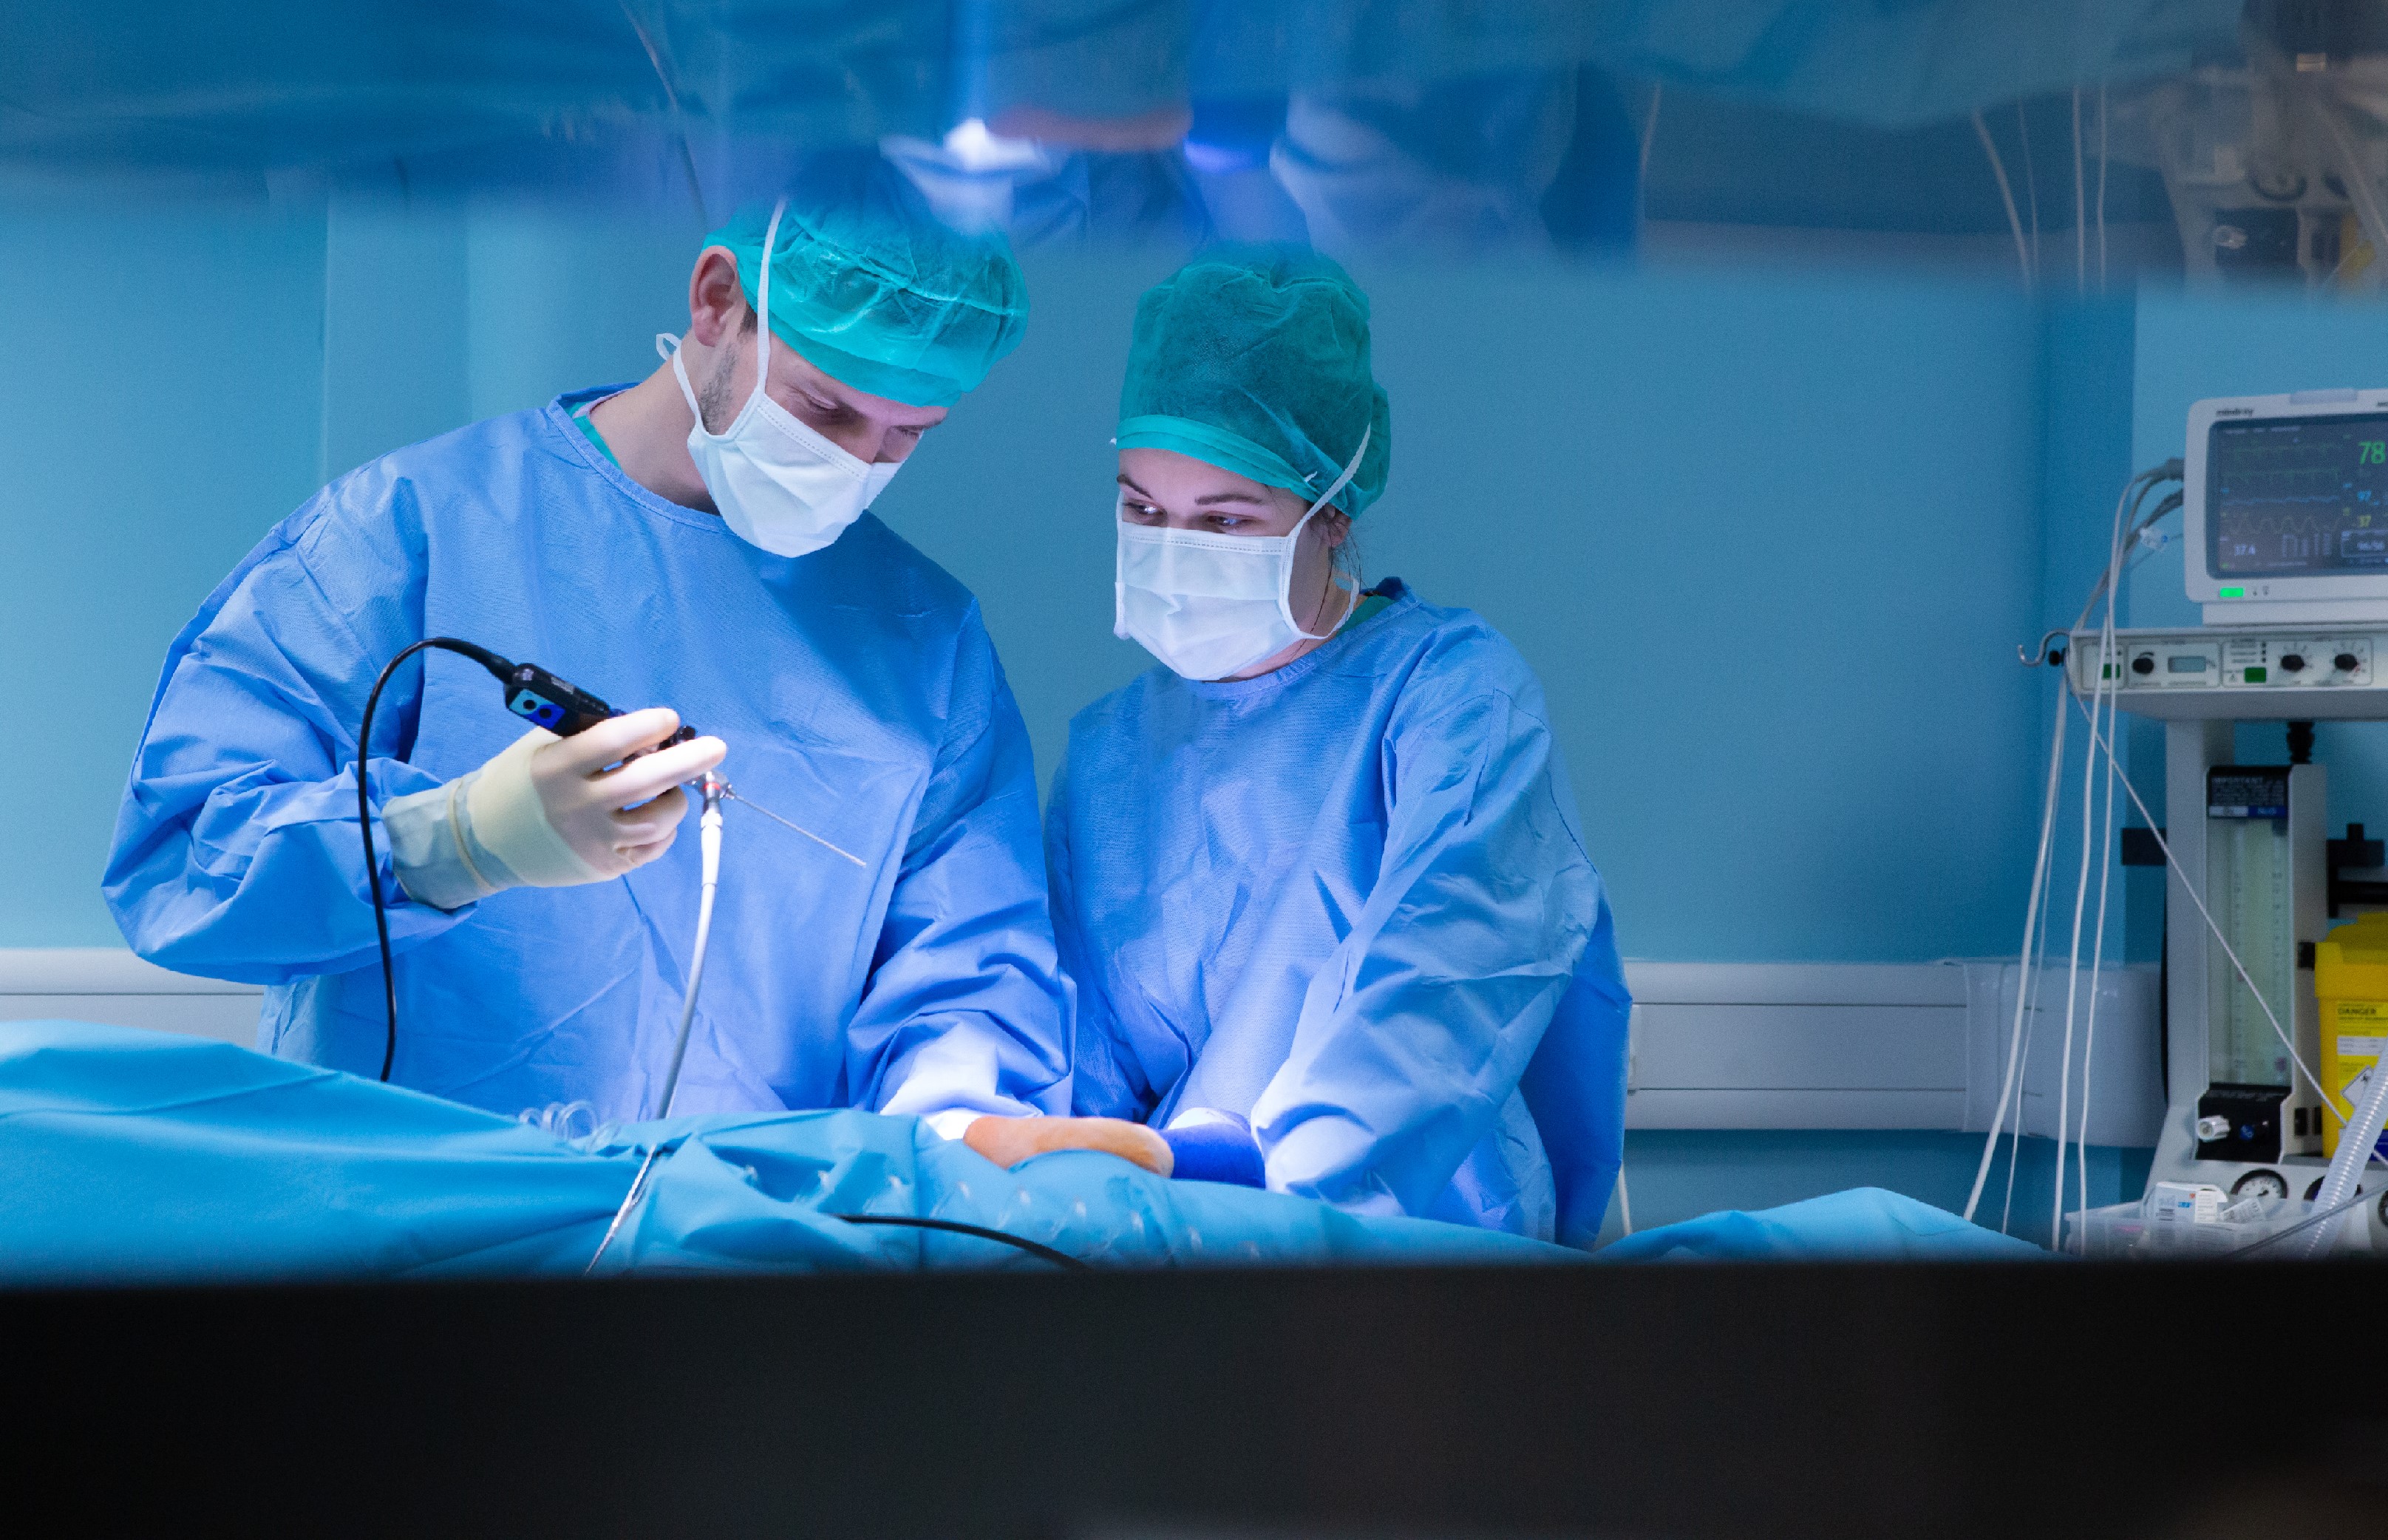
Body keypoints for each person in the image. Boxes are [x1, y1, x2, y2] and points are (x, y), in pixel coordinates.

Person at [106, 170, 1101, 1149]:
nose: (858, 462)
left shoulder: (925, 641)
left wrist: (956, 1121)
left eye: (906, 435)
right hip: (415, 1220)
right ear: (718, 301)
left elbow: (968, 971)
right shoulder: (416, 529)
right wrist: (457, 840)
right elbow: (183, 855)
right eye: (826, 410)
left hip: (740, 1229)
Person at [1043, 251, 1633, 1245]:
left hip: (1415, 1255)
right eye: (1143, 510)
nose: (1175, 552)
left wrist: (1240, 1183)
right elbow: (1082, 1076)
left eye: (1225, 519)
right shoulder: (1107, 758)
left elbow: (1435, 1008)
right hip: (1175, 1253)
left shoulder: (1453, 702)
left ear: (1333, 513)